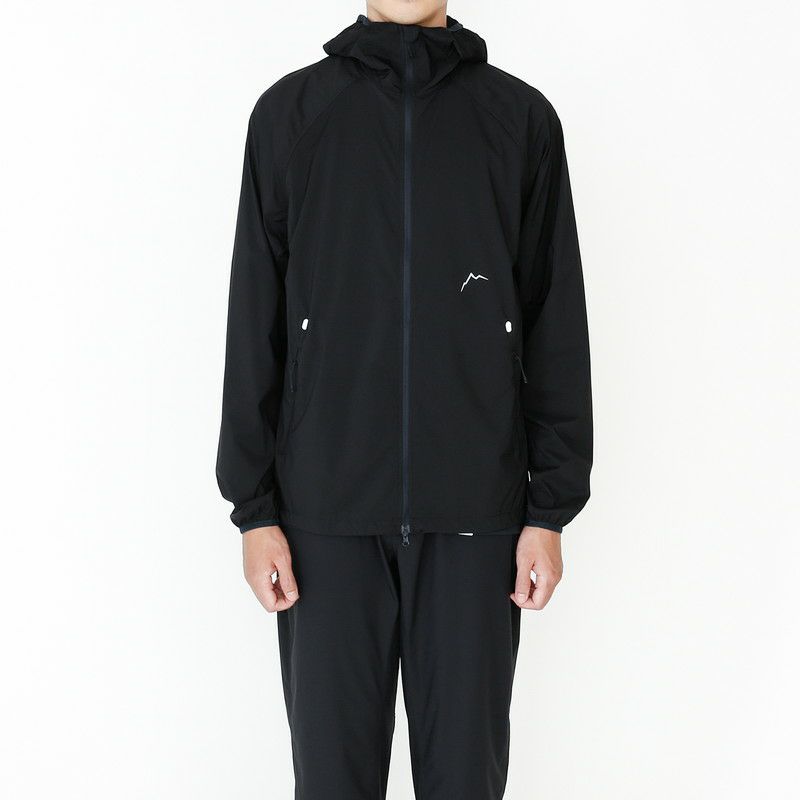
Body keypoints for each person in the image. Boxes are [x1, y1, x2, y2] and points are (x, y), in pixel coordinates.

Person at [216, 1, 592, 797]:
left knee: (465, 782)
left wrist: (549, 511)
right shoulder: (291, 115)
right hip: (324, 520)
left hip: (477, 519)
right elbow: (256, 319)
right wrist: (254, 511)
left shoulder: (519, 119)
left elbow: (555, 321)